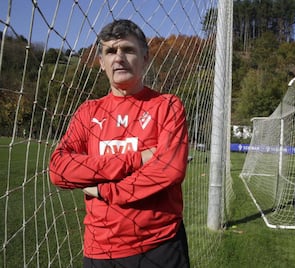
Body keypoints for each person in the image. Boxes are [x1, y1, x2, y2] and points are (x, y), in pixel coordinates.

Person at [49, 19, 190, 267]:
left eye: (128, 49)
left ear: (145, 58)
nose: (119, 58)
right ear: (102, 63)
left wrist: (105, 190)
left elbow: (169, 170)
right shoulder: (88, 112)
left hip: (159, 243)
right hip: (99, 248)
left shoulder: (167, 105)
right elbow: (59, 169)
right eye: (111, 51)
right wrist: (137, 158)